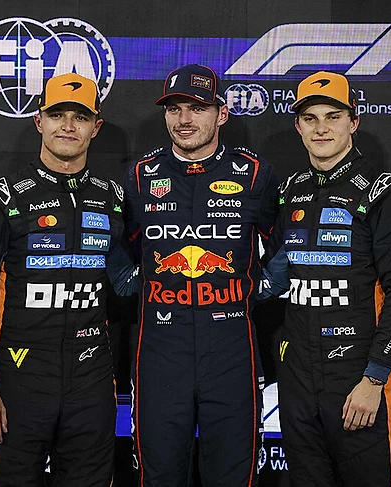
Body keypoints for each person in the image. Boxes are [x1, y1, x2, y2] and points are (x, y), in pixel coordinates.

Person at [0, 72, 136, 486]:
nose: (68, 126)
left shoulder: (112, 197)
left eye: (80, 117)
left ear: (96, 127)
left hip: (92, 379)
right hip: (21, 379)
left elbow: (126, 283)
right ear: (39, 121)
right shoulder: (2, 197)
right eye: (57, 115)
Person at [260, 71, 391, 486]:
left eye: (333, 116)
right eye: (310, 118)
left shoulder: (385, 193)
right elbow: (273, 278)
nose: (321, 128)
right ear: (298, 126)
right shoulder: (291, 191)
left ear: (354, 122)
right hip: (297, 379)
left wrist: (374, 378)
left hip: (356, 376)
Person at [123, 64, 281, 486]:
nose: (184, 119)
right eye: (174, 109)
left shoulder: (256, 174)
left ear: (221, 114)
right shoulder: (140, 176)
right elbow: (117, 249)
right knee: (159, 476)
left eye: (197, 108)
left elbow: (285, 246)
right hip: (161, 349)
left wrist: (259, 288)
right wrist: (133, 283)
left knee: (233, 476)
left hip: (231, 348)